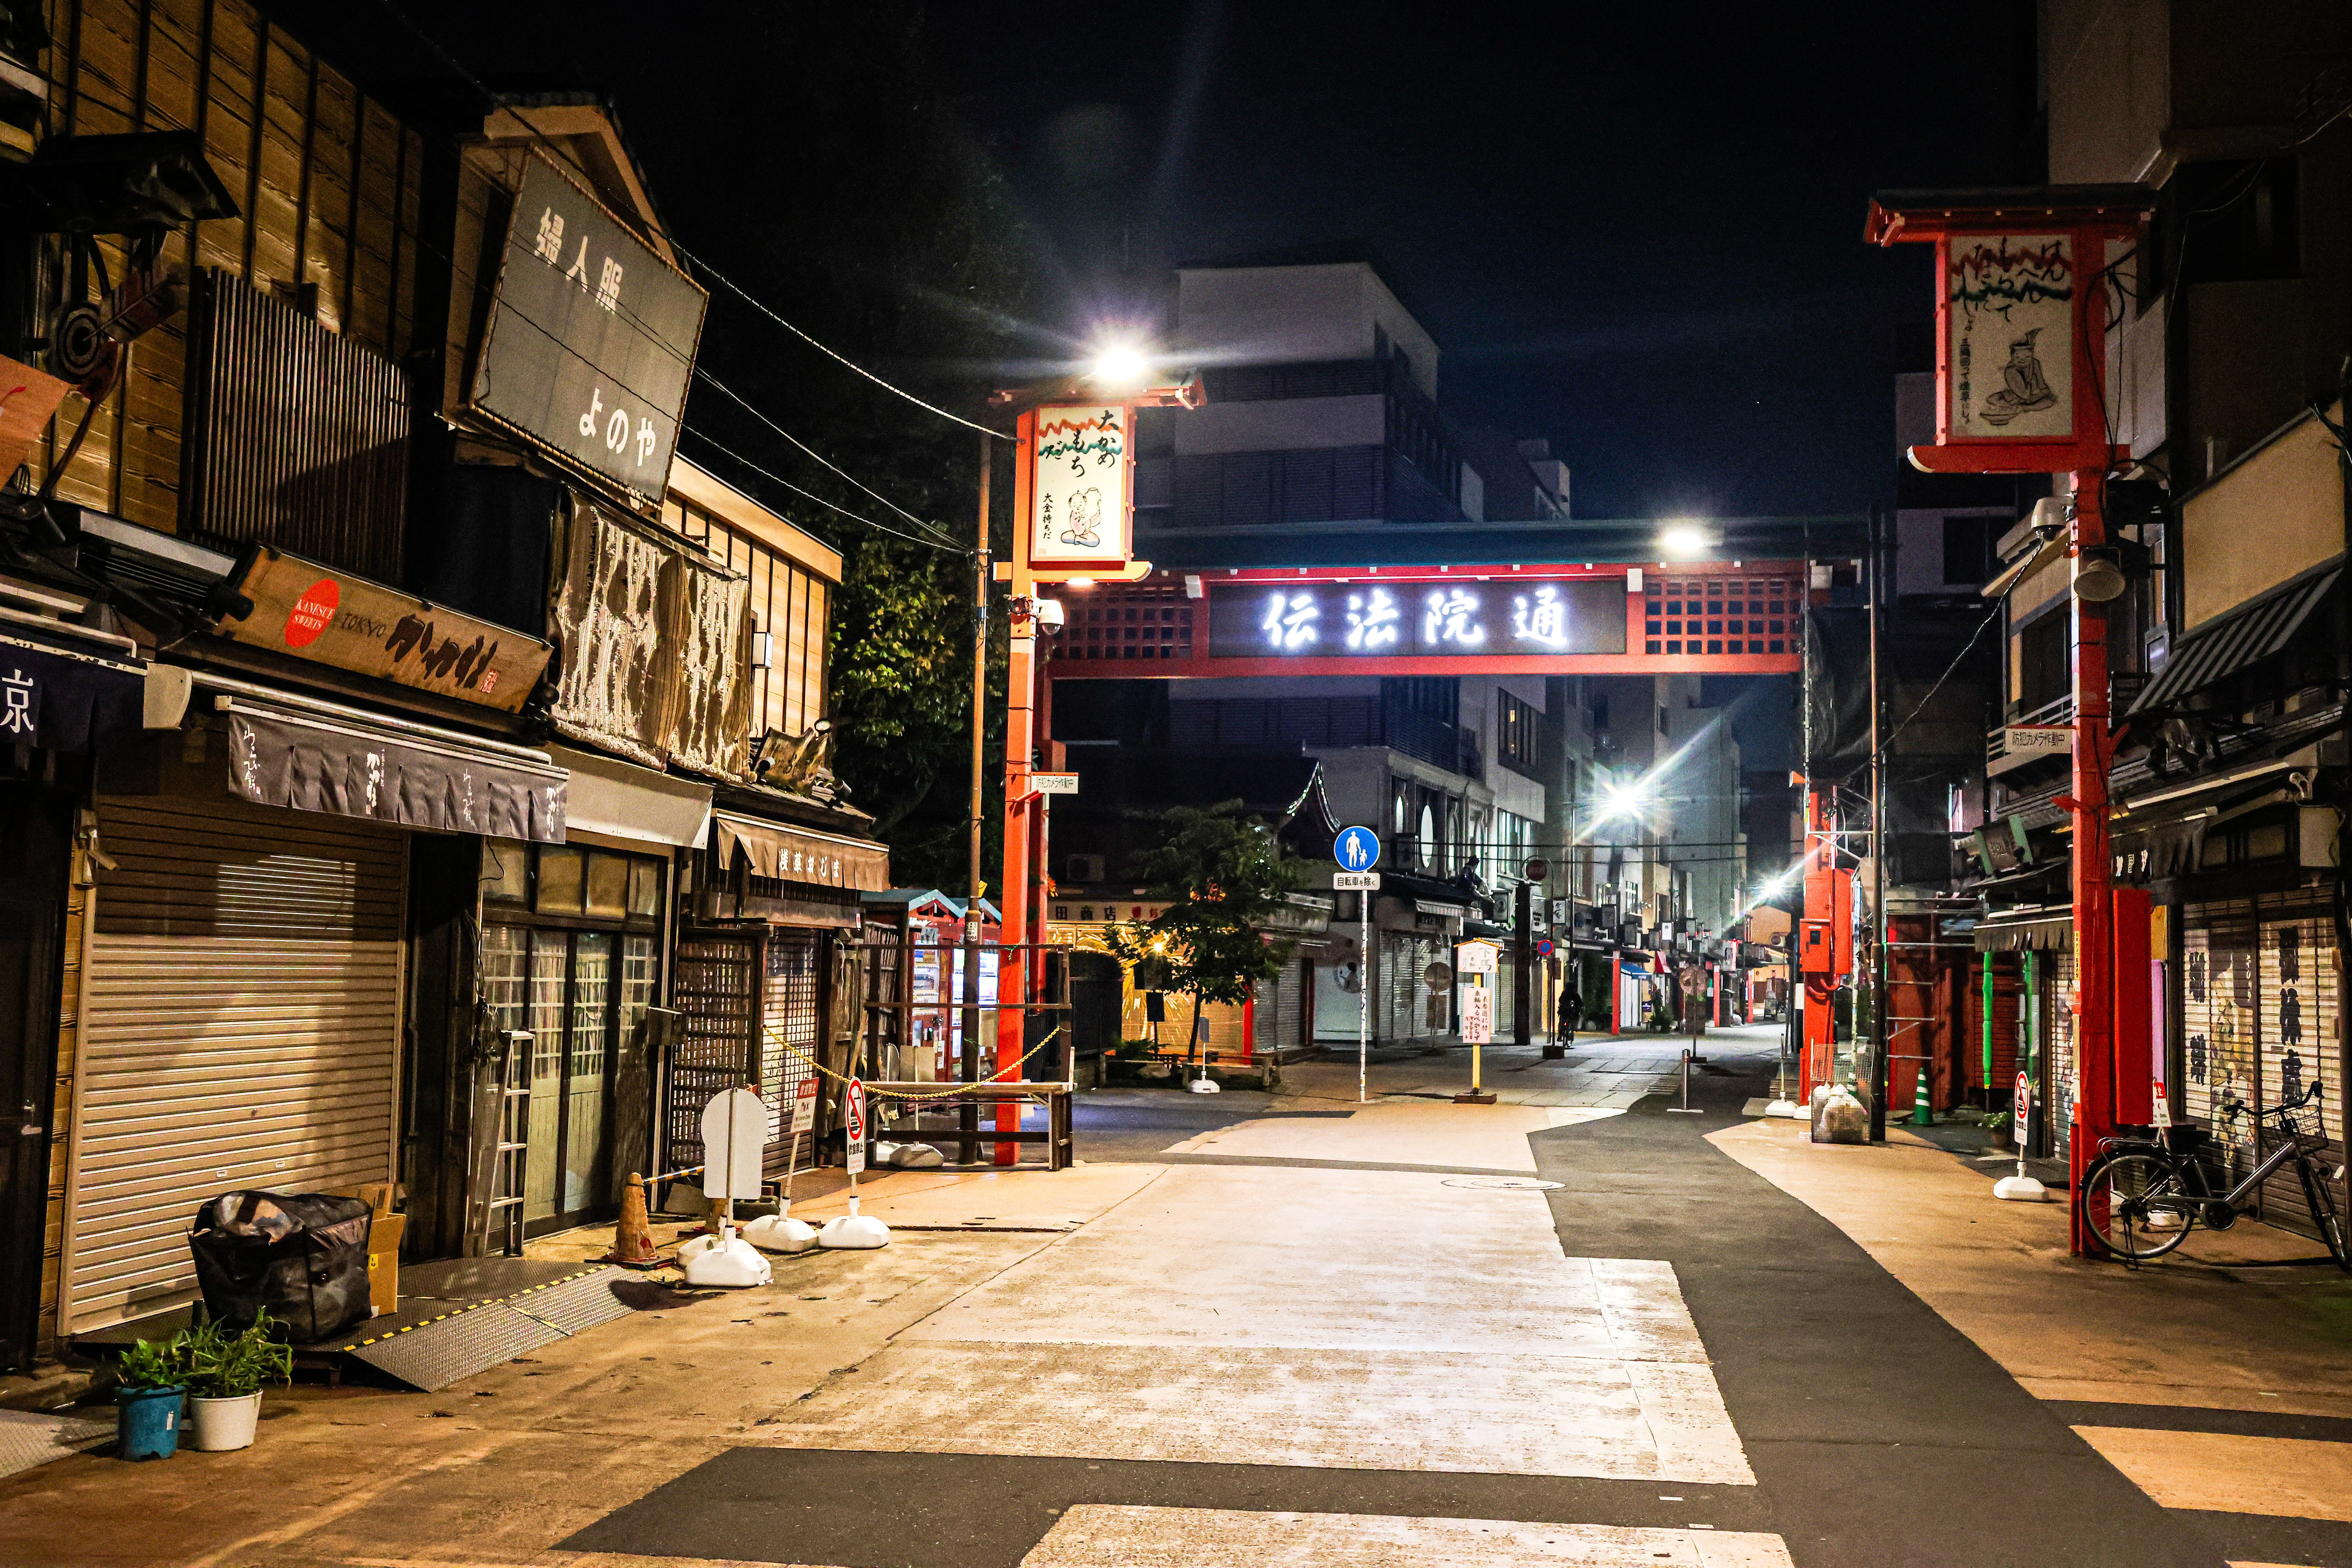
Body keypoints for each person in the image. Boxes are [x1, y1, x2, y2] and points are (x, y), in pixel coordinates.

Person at [1556, 974, 1580, 1046]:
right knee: (1574, 1022)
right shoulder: (1575, 994)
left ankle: (1560, 1035)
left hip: (1565, 1012)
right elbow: (1580, 1003)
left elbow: (1560, 1000)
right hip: (1572, 1014)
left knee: (1562, 1022)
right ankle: (1571, 1031)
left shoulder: (1565, 993)